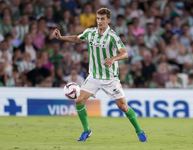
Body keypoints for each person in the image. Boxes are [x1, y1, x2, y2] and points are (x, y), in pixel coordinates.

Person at [52, 8, 147, 142]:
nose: (99, 21)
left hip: (110, 79)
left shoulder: (113, 36)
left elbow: (125, 53)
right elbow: (78, 39)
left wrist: (113, 58)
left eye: (102, 19)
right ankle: (86, 131)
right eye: (98, 18)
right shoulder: (90, 32)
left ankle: (139, 131)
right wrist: (61, 38)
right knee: (79, 101)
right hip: (94, 77)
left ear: (108, 20)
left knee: (123, 107)